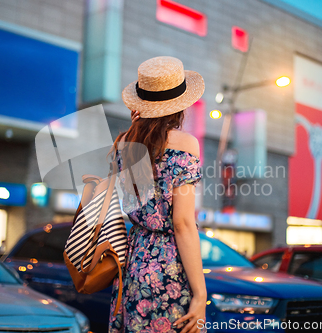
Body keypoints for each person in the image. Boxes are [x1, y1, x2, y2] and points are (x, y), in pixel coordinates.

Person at [108, 56, 207, 333]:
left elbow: (135, 202)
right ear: (180, 105)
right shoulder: (186, 144)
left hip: (134, 261)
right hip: (168, 266)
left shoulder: (124, 145)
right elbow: (183, 224)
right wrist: (200, 294)